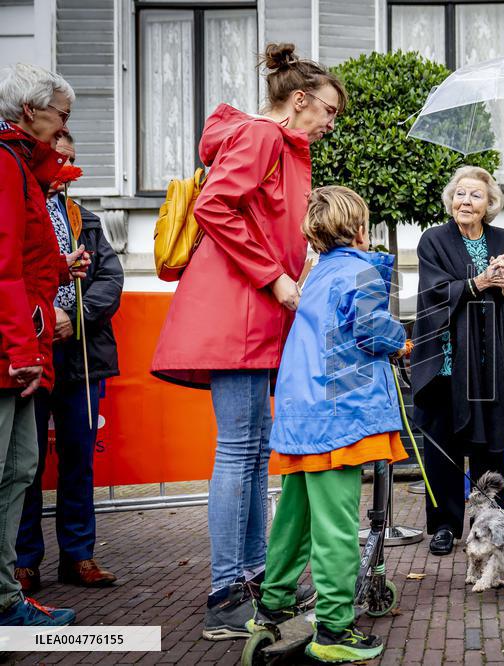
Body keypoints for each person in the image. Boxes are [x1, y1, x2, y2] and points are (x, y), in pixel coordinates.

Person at [150, 43, 346, 639]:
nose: (331, 124)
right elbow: (215, 206)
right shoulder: (264, 137)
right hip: (239, 309)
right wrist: (277, 276)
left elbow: (245, 213)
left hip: (249, 308)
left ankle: (251, 577)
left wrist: (289, 268)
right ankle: (228, 590)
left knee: (253, 448)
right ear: (301, 100)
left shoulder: (272, 141)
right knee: (240, 449)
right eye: (329, 112)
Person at [247, 185, 408, 663]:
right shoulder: (361, 270)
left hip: (301, 413)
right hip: (344, 412)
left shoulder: (314, 274)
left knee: (294, 520)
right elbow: (372, 330)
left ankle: (272, 607)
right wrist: (400, 339)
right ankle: (335, 628)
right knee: (338, 526)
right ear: (360, 228)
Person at [15, 133, 123, 594]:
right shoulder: (20, 212)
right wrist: (43, 318)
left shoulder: (87, 219)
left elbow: (110, 279)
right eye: (60, 161)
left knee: (79, 459)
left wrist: (74, 318)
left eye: (73, 162)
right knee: (27, 461)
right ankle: (23, 560)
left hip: (80, 355)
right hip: (33, 351)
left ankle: (79, 556)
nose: (66, 171)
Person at [0, 62, 88, 626]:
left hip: (17, 344)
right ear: (31, 111)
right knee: (11, 470)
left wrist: (59, 264)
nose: (63, 129)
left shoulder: (19, 166)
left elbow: (23, 260)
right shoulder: (9, 166)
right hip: (13, 350)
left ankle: (6, 597)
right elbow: (5, 267)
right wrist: (22, 350)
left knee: (20, 468)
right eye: (60, 116)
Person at [410, 166, 504, 556]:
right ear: (451, 200)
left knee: (489, 445)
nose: (466, 201)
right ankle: (445, 525)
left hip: (491, 363)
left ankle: (491, 521)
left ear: (489, 205)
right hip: (448, 362)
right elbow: (432, 294)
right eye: (460, 194)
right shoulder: (434, 240)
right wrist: (479, 282)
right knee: (443, 446)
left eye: (475, 195)